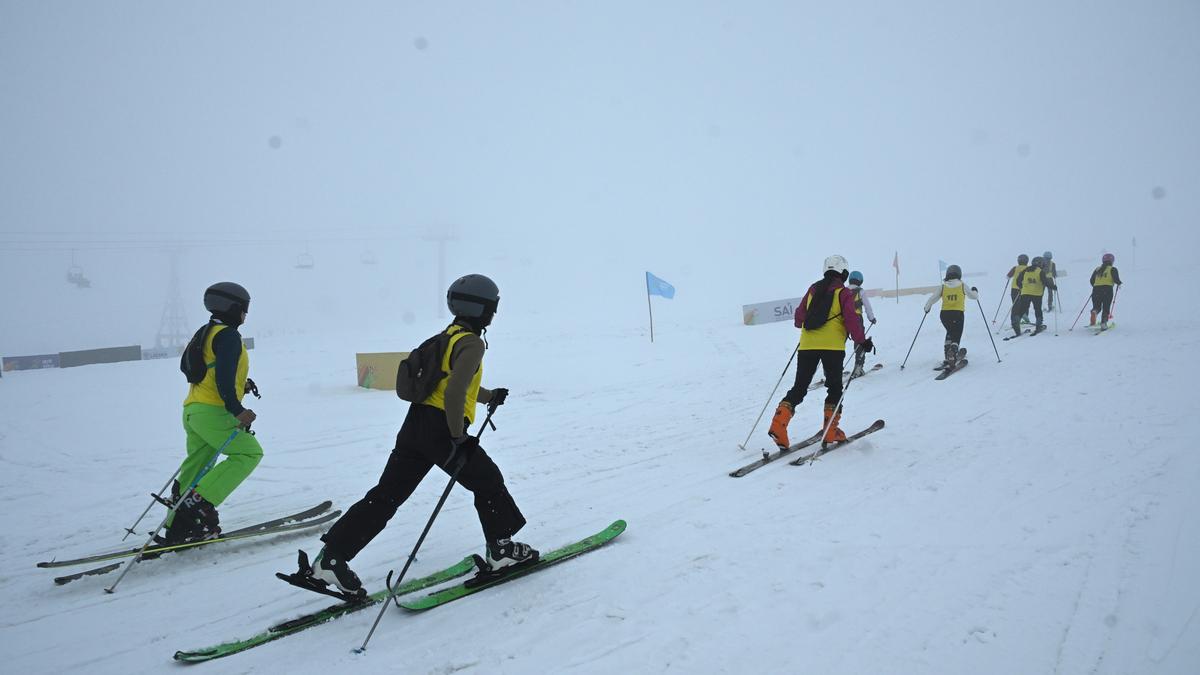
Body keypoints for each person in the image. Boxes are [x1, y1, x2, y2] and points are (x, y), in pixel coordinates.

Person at [299, 274, 533, 597]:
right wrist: (458, 437)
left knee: (385, 496)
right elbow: (454, 392)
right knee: (488, 480)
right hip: (442, 430)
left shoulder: (446, 337)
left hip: (415, 427)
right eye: (493, 307)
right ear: (481, 309)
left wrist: (489, 395)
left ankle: (331, 559)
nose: (494, 313)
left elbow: (454, 384)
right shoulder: (473, 343)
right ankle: (501, 550)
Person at [162, 282, 262, 545]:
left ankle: (178, 527)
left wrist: (242, 385)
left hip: (193, 411)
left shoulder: (205, 332)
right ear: (233, 308)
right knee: (249, 453)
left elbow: (200, 370)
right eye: (244, 309)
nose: (245, 315)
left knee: (197, 467)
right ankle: (199, 503)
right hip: (214, 412)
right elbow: (224, 379)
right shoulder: (228, 336)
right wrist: (238, 410)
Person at [768, 255, 873, 449]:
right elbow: (851, 319)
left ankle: (778, 425)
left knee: (800, 387)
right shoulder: (843, 292)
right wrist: (862, 341)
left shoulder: (813, 289)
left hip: (807, 345)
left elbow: (799, 318)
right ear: (843, 272)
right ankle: (830, 430)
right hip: (833, 347)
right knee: (834, 388)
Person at [923, 265, 978, 367]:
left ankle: (947, 353)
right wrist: (975, 290)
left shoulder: (943, 287)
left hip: (944, 315)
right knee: (957, 334)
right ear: (959, 274)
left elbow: (932, 298)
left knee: (950, 331)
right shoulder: (962, 285)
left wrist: (927, 308)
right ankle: (953, 352)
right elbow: (974, 296)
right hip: (957, 314)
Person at [1010, 257, 1056, 336]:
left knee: (1022, 309)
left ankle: (1016, 321)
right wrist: (1053, 287)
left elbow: (1018, 280)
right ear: (1041, 264)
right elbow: (1045, 282)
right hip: (1037, 294)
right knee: (1037, 309)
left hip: (1025, 293)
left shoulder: (1026, 270)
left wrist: (1022, 287)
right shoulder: (1040, 271)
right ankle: (1038, 325)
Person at [846, 270, 876, 377]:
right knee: (859, 342)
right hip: (856, 319)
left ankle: (833, 369)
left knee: (839, 343)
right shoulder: (860, 291)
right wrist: (871, 318)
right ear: (860, 281)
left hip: (843, 320)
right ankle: (858, 368)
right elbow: (867, 307)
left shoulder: (843, 291)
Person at [1089, 253, 1122, 329]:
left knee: (1097, 306)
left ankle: (1094, 311)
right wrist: (1119, 283)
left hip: (1096, 290)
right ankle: (1103, 323)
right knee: (1106, 307)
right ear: (1112, 261)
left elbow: (1092, 281)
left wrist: (1096, 286)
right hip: (1107, 290)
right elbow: (1116, 279)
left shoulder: (1097, 269)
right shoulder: (1112, 269)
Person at [1006, 254, 1031, 324]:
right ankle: (1025, 317)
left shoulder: (1015, 268)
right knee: (1025, 304)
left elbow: (1008, 276)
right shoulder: (1029, 268)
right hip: (1026, 289)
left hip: (1015, 288)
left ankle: (1014, 320)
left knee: (1015, 304)